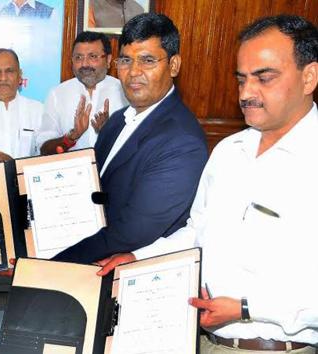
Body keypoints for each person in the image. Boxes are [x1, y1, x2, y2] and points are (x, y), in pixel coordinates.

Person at [96, 15, 318, 353]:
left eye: (264, 78)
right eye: (241, 79)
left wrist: (246, 309)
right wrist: (138, 257)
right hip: (200, 340)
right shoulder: (229, 151)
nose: (247, 92)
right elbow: (195, 231)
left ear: (309, 76)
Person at [52, 13, 208, 264]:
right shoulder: (116, 121)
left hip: (128, 276)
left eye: (147, 60)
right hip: (88, 255)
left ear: (174, 65)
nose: (133, 72)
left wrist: (49, 261)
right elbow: (92, 193)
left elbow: (131, 234)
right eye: (126, 60)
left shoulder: (182, 142)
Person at [37, 31, 128, 154]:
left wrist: (109, 132)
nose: (85, 64)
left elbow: (140, 144)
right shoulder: (57, 94)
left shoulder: (125, 92)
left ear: (108, 60)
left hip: (115, 172)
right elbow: (44, 149)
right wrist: (71, 137)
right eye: (78, 57)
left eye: (93, 57)